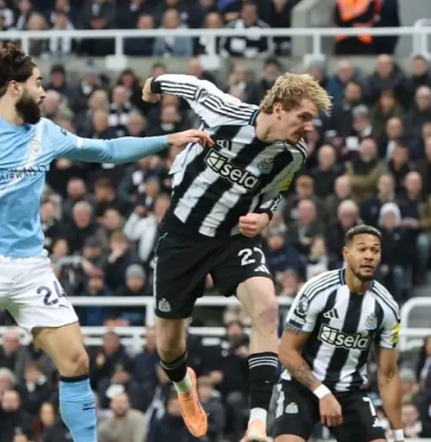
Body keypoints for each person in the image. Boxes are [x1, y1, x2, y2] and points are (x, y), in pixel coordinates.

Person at [0, 43, 211, 442]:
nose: (45, 93)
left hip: (28, 267)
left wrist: (169, 139)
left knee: (76, 359)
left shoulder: (45, 133)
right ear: (14, 88)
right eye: (38, 84)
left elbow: (107, 150)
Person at [140, 71, 331, 442]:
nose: (308, 128)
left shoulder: (293, 153)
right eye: (303, 117)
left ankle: (258, 424)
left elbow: (274, 194)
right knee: (168, 346)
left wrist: (264, 217)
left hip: (231, 239)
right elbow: (192, 86)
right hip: (181, 235)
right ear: (278, 108)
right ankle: (184, 386)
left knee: (267, 307)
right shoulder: (227, 112)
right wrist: (151, 86)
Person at [273, 225, 404, 442]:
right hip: (302, 386)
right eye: (362, 249)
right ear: (346, 253)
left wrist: (399, 436)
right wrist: (322, 393)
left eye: (375, 250)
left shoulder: (387, 308)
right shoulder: (318, 290)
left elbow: (388, 375)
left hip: (349, 391)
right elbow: (286, 351)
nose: (369, 256)